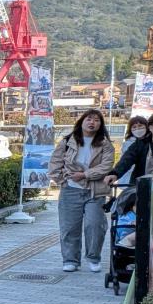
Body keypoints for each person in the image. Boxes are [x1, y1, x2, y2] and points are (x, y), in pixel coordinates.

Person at [50, 109, 114, 273]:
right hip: (70, 190)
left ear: (101, 124)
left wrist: (85, 175)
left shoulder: (105, 144)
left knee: (95, 225)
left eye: (97, 120)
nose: (92, 122)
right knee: (69, 227)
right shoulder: (67, 141)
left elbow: (106, 166)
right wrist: (62, 181)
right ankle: (71, 260)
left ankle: (93, 257)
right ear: (82, 122)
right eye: (89, 119)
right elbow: (55, 162)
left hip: (95, 191)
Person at [108, 109, 153, 186]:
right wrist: (115, 173)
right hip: (141, 186)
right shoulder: (140, 144)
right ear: (150, 127)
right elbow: (126, 160)